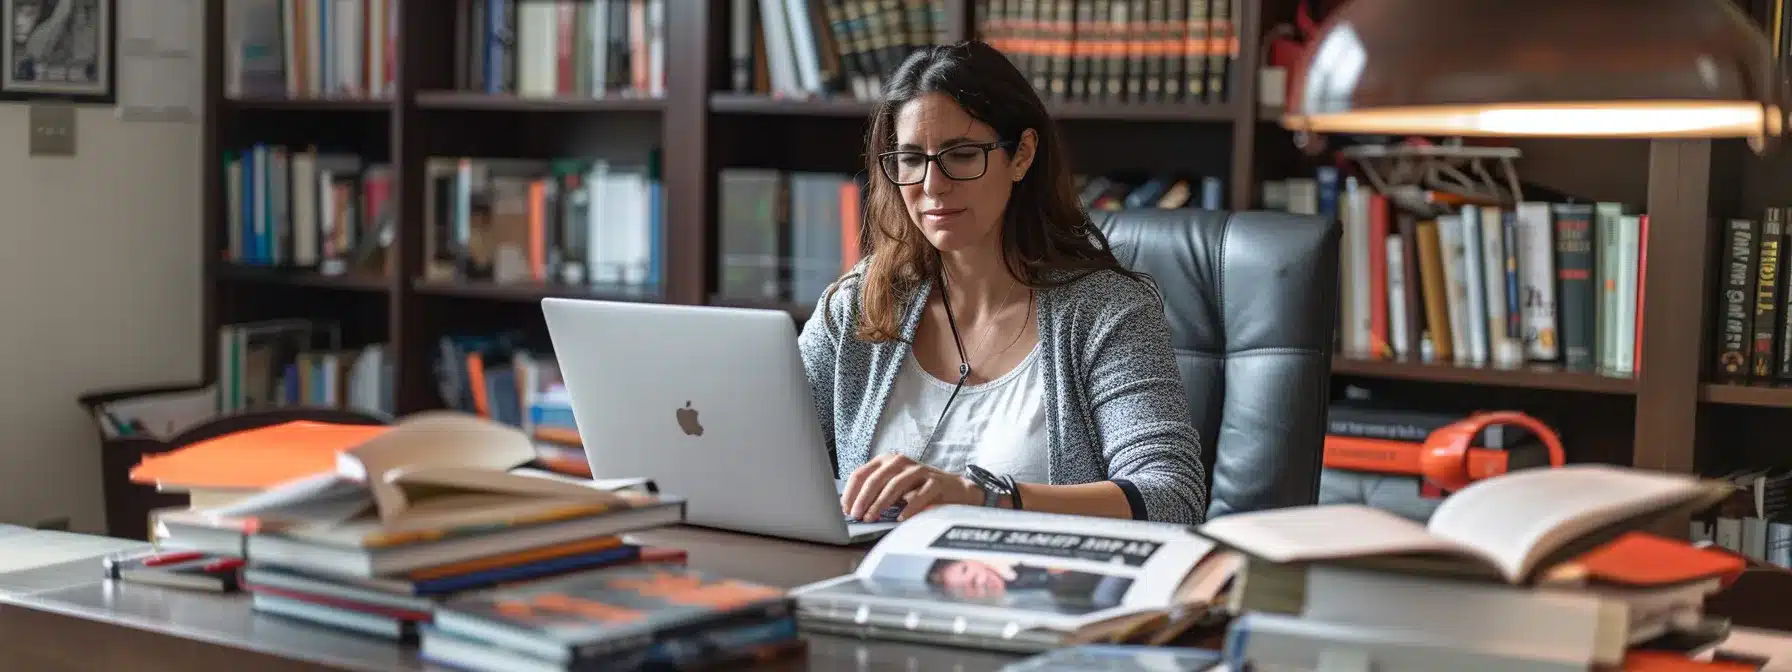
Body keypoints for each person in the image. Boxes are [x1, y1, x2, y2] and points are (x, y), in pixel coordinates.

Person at [798, 41, 1208, 526]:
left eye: (962, 154)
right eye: (911, 159)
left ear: (1022, 155)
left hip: (1038, 593)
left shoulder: (1108, 311)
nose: (932, 185)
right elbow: (756, 442)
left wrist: (985, 499)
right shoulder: (862, 304)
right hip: (873, 587)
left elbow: (1171, 498)